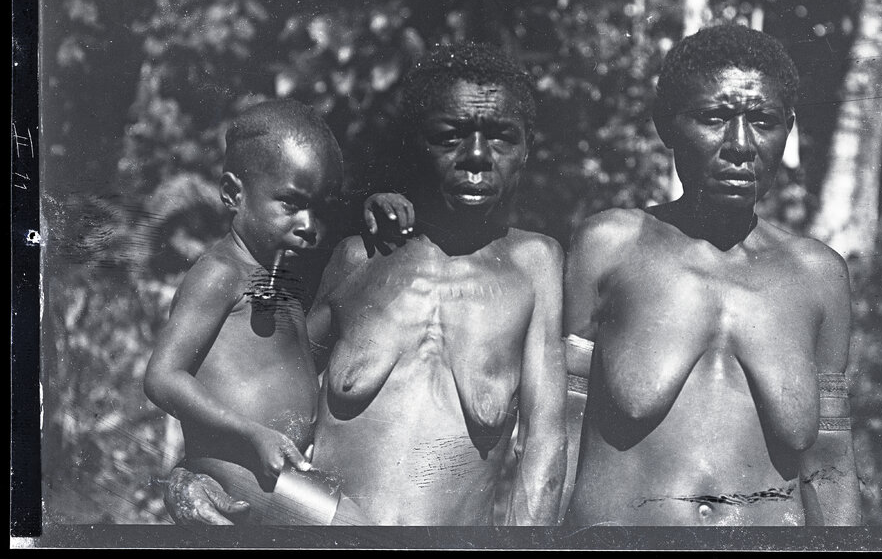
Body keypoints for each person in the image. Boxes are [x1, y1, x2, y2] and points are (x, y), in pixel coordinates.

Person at [164, 43, 567, 526]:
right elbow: (255, 382)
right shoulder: (359, 259)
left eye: (501, 138)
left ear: (527, 149)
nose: (476, 157)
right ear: (417, 143)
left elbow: (544, 445)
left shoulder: (534, 267)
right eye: (450, 136)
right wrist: (191, 476)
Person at [563, 24, 861, 527]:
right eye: (714, 118)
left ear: (787, 129)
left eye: (763, 121)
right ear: (666, 124)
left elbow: (830, 461)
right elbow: (556, 432)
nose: (740, 145)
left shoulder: (819, 276)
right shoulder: (611, 246)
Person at [144, 99, 345, 524]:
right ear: (234, 194)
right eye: (290, 204)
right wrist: (252, 433)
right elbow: (162, 377)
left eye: (318, 208)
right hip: (243, 469)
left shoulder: (276, 280)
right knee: (364, 535)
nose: (309, 224)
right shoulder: (221, 272)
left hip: (273, 469)